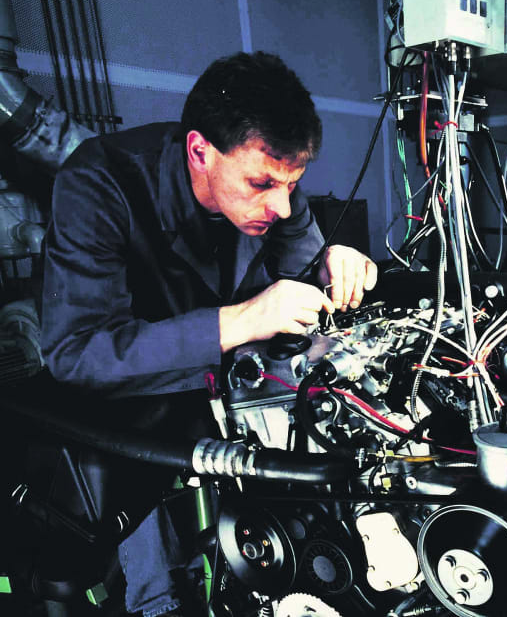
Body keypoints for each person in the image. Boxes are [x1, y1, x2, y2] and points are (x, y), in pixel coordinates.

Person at [40, 51, 377, 616]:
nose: (282, 204)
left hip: (233, 397)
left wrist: (331, 262)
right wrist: (241, 320)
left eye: (292, 184)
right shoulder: (98, 181)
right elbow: (76, 354)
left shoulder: (275, 191)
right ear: (200, 151)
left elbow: (304, 261)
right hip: (130, 409)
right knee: (159, 587)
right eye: (262, 183)